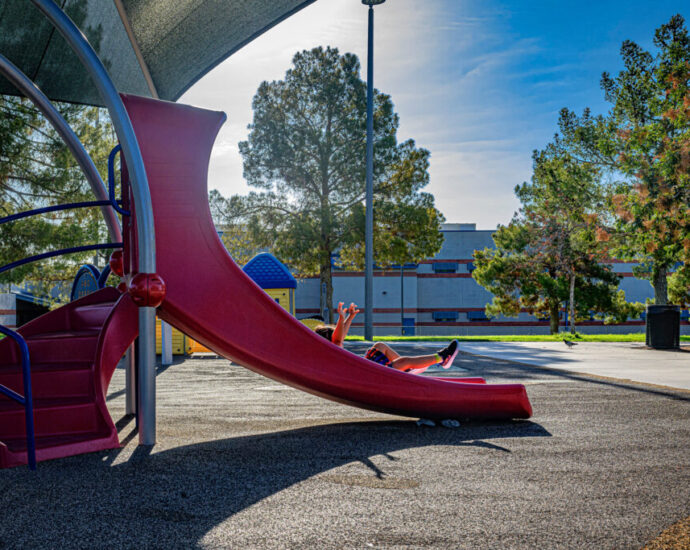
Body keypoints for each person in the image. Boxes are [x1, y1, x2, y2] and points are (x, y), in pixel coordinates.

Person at [315, 302, 459, 373]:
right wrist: (341, 317)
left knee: (379, 346)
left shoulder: (334, 349)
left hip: (365, 371)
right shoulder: (333, 349)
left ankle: (406, 371)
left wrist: (350, 317)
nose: (342, 336)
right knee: (404, 361)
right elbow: (338, 339)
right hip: (367, 377)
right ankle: (441, 358)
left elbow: (339, 338)